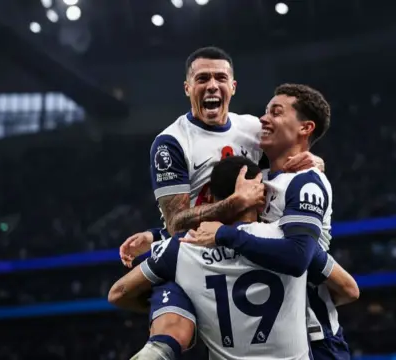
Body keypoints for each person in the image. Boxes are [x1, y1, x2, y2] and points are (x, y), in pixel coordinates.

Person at [119, 47, 325, 358]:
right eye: (202, 79)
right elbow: (176, 222)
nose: (212, 85)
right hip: (197, 251)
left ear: (233, 87)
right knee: (169, 331)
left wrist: (315, 163)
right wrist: (235, 202)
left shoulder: (253, 130)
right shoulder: (171, 143)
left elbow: (291, 149)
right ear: (188, 88)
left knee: (316, 276)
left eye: (220, 78)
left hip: (251, 243)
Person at [109, 156, 359, 360]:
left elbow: (118, 293)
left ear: (210, 198)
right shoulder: (288, 241)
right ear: (260, 197)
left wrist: (193, 309)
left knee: (167, 282)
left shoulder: (182, 246)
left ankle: (162, 344)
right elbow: (349, 290)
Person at [184, 84, 352, 359]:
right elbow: (210, 222)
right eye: (265, 111)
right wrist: (156, 237)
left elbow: (297, 258)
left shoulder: (306, 182)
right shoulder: (253, 177)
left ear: (305, 128)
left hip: (313, 339)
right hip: (263, 334)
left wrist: (226, 234)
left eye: (276, 112)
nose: (264, 119)